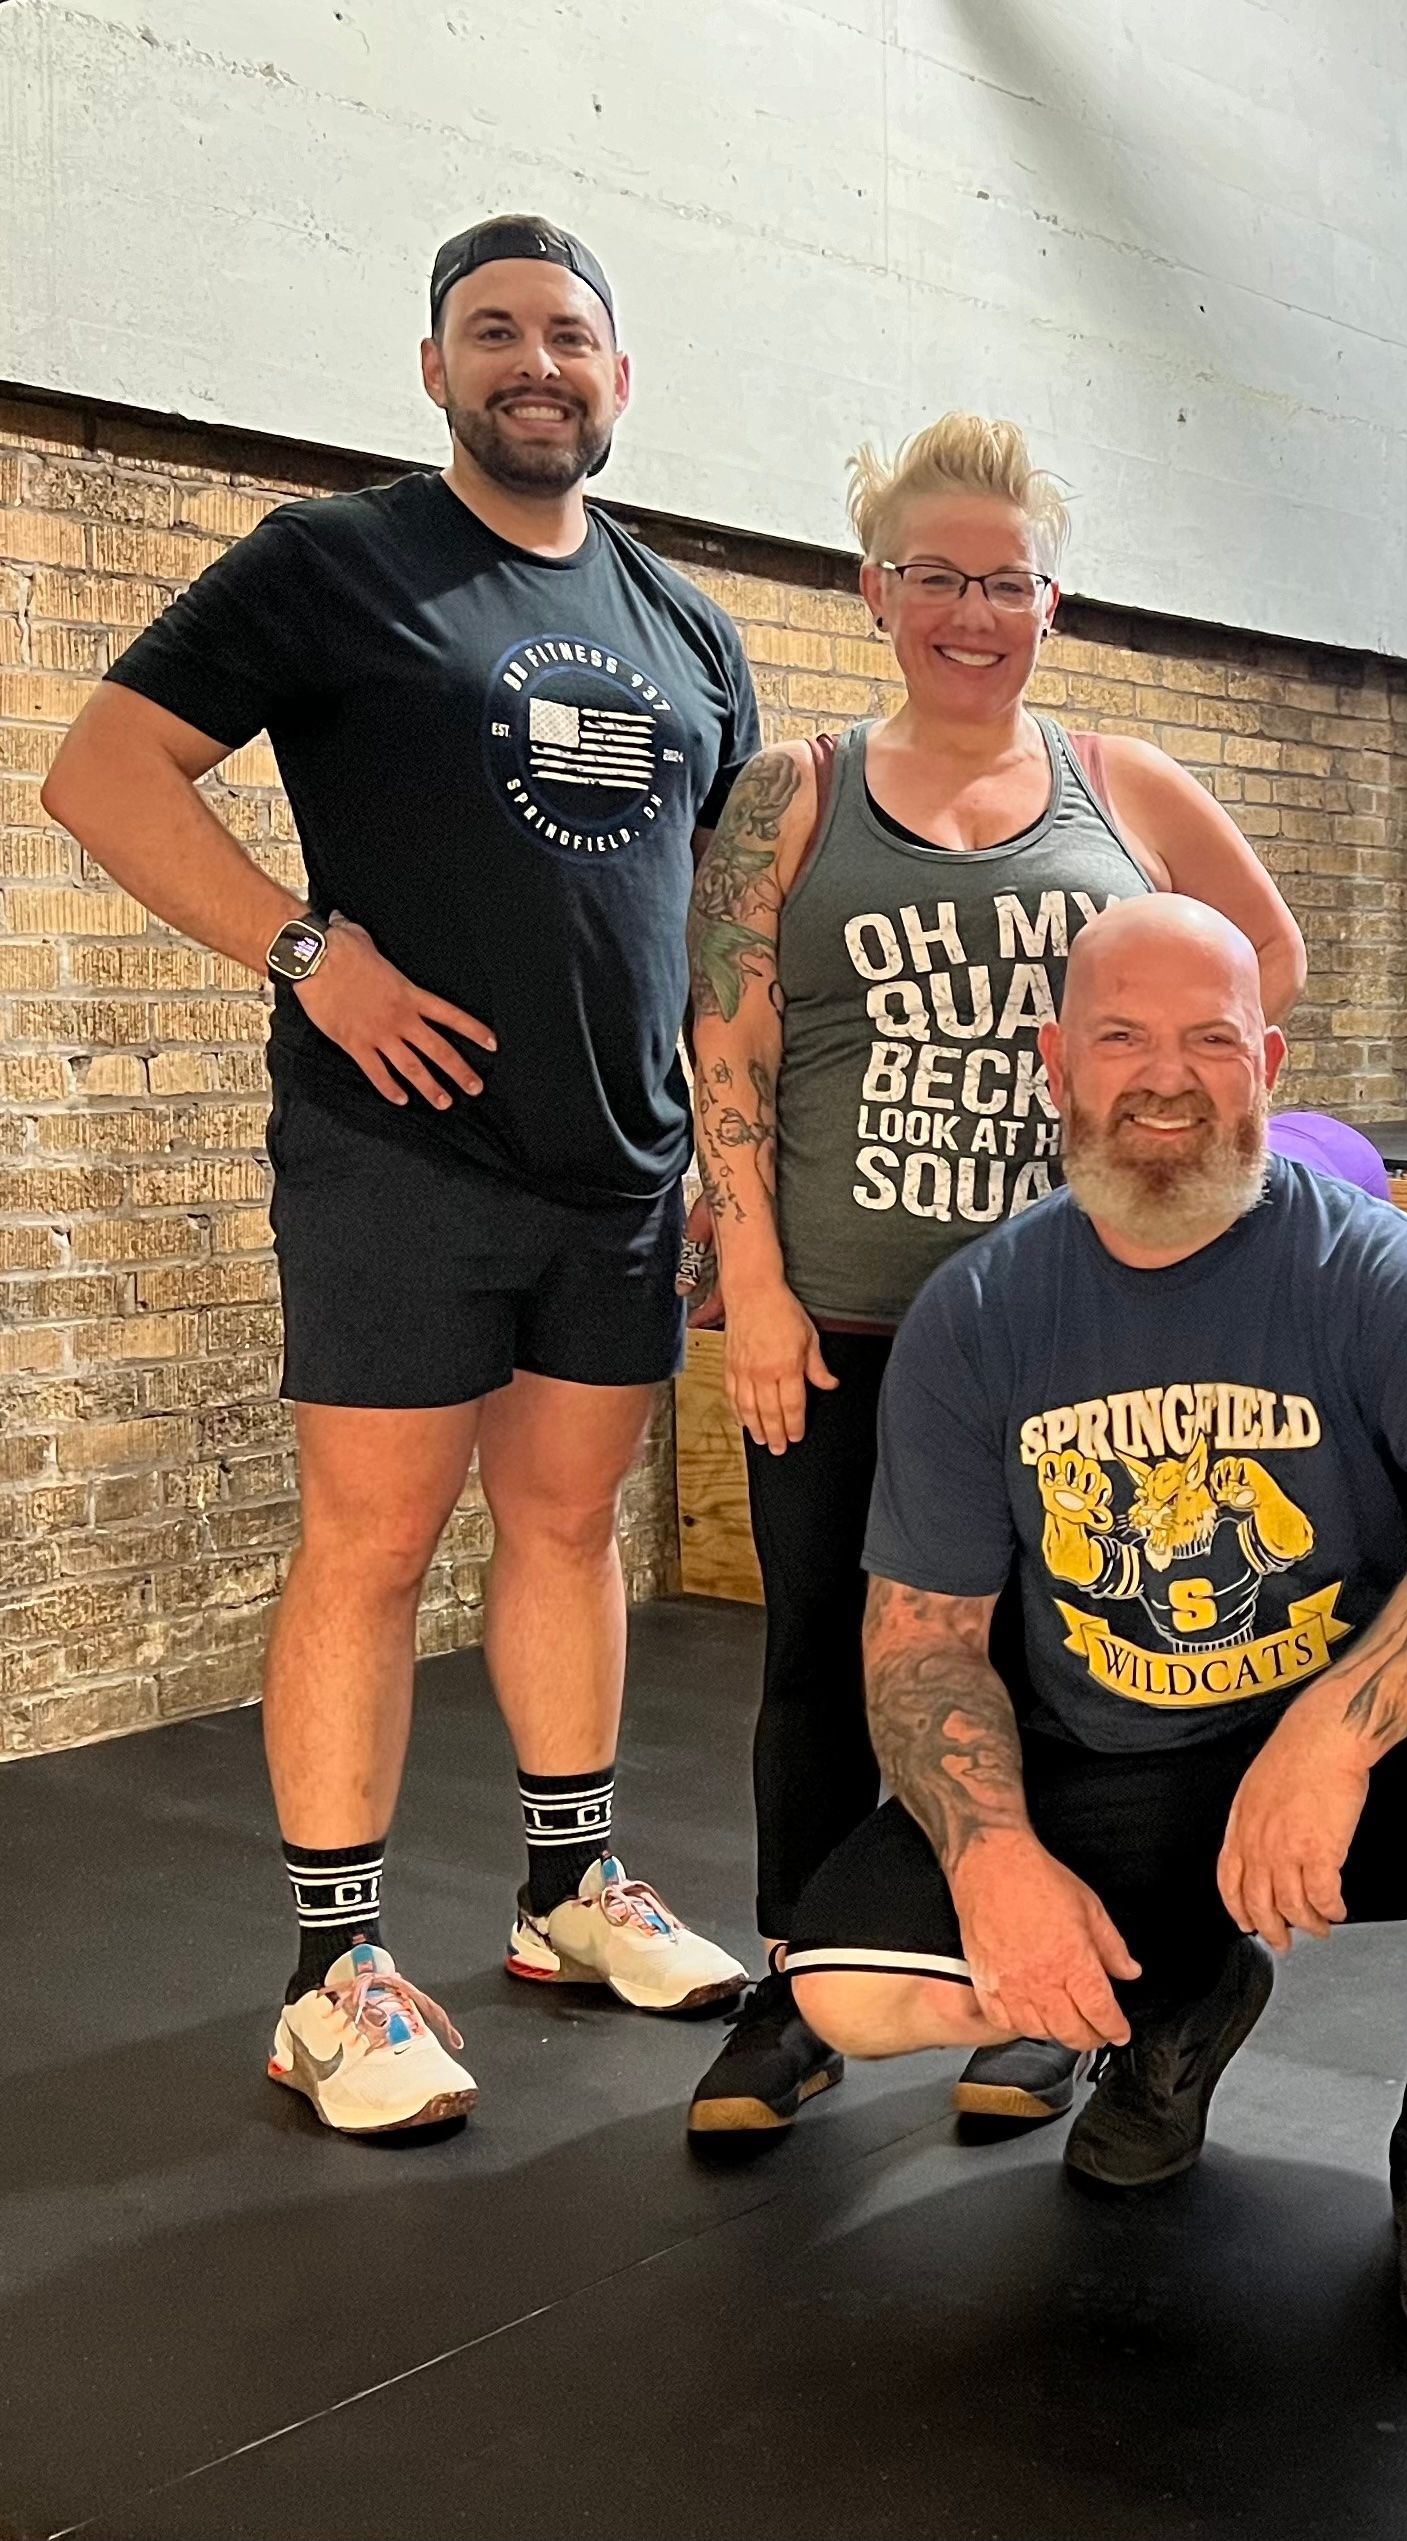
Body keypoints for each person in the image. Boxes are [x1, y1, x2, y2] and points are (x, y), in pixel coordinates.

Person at [41, 215, 756, 2135]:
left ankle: (566, 1891)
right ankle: (330, 1972)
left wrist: (715, 1148)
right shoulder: (336, 565)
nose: (538, 364)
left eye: (572, 337)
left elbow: (688, 916)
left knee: (569, 1528)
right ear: (433, 369)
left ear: (622, 379)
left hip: (616, 1171)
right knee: (368, 1545)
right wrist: (305, 950)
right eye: (494, 333)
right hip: (398, 1160)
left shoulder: (689, 628)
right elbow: (103, 775)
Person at [783, 896, 1407, 2342]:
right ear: (1056, 1063)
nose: (1165, 1077)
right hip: (1108, 1760)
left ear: (1269, 1063)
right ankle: (1177, 1998)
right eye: (1121, 1036)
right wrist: (992, 1861)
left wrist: (1333, 1728)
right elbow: (921, 1640)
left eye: (1209, 1040)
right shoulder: (978, 1310)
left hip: (1339, 1768)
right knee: (851, 1988)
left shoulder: (1364, 1266)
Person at [684, 414, 1383, 2140]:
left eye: (1006, 582)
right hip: (844, 1318)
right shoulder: (796, 790)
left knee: (1058, 1658)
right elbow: (728, 1038)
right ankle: (797, 1984)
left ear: (1049, 603)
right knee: (820, 1654)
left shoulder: (1120, 783)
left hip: (1069, 1327)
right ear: (879, 591)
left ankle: (1047, 1989)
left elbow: (1256, 960)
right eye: (939, 579)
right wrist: (751, 1284)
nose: (972, 612)